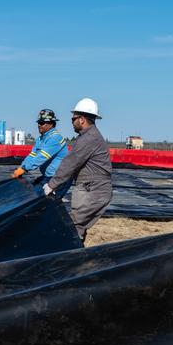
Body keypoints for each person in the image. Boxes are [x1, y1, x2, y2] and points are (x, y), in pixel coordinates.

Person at [44, 98, 113, 242]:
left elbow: (70, 163)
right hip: (94, 188)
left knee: (74, 227)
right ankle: (77, 253)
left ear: (82, 120)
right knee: (77, 227)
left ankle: (72, 258)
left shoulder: (88, 139)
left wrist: (52, 185)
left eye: (73, 118)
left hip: (92, 190)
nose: (72, 121)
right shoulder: (89, 137)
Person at [12, 109, 68, 180]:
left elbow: (42, 157)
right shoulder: (40, 139)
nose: (39, 125)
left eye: (42, 123)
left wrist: (24, 168)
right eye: (38, 122)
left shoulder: (56, 138)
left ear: (51, 124)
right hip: (49, 177)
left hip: (60, 179)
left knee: (37, 190)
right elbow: (32, 155)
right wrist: (21, 167)